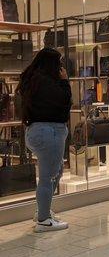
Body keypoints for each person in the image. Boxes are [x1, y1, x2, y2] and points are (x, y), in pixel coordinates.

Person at [16, 48, 71, 232]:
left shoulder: (32, 80)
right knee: (48, 177)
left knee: (57, 171)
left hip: (36, 131)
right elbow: (64, 103)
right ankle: (43, 220)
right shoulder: (47, 83)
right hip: (50, 132)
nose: (61, 66)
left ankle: (42, 209)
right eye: (59, 63)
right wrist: (65, 82)